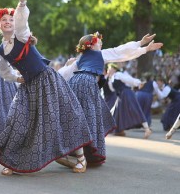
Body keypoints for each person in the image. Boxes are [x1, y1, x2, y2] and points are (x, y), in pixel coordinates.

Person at [0, 0, 91, 176]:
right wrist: (15, 78)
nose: (8, 22)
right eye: (4, 20)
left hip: (46, 80)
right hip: (28, 86)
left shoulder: (21, 34)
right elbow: (3, 70)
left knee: (64, 115)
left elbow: (22, 21)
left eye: (10, 19)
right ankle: (12, 162)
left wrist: (21, 2)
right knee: (18, 120)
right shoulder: (2, 50)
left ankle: (80, 158)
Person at [59, 31, 163, 165]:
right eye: (98, 42)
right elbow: (120, 52)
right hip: (87, 83)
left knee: (80, 116)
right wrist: (142, 46)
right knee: (92, 117)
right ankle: (85, 156)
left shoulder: (80, 59)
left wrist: (67, 66)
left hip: (75, 84)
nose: (101, 44)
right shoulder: (99, 54)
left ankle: (75, 152)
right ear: (91, 46)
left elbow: (63, 75)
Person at [106, 63, 152, 138]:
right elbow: (112, 89)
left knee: (135, 110)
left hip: (127, 93)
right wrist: (109, 79)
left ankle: (147, 129)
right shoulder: (111, 78)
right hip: (121, 96)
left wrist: (138, 82)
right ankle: (119, 130)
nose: (108, 70)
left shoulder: (118, 74)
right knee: (116, 112)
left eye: (109, 68)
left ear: (114, 69)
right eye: (108, 69)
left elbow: (129, 80)